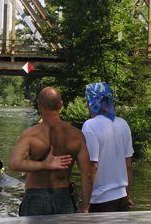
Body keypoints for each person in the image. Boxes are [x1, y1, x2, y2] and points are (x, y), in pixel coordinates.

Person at [9, 87, 92, 216]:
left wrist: (44, 165)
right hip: (63, 198)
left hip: (35, 198)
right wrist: (84, 205)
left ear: (39, 105)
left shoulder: (31, 134)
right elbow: (87, 174)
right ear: (61, 105)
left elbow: (14, 163)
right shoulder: (76, 135)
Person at [82, 82, 134, 212]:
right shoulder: (123, 124)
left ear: (92, 102)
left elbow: (92, 167)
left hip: (100, 200)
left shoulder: (90, 126)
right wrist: (128, 196)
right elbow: (128, 166)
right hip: (122, 197)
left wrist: (84, 204)